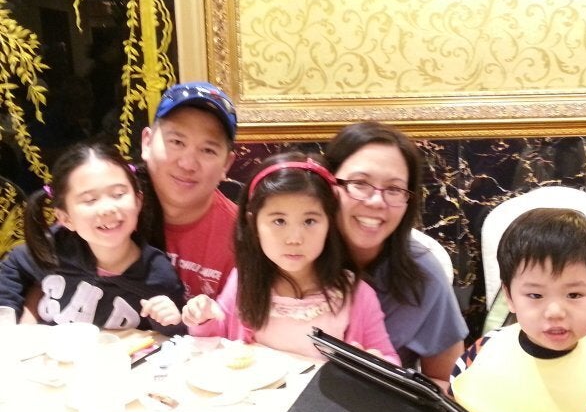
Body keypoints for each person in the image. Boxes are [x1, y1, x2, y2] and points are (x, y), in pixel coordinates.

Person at [181, 152, 400, 364]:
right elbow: (218, 344)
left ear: (329, 223)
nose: (294, 239)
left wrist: (378, 365)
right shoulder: (244, 281)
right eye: (279, 221)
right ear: (253, 223)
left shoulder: (356, 295)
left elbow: (390, 363)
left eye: (309, 221)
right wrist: (204, 319)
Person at [450, 208, 586, 412]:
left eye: (574, 295)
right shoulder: (485, 349)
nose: (555, 312)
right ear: (510, 297)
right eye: (535, 295)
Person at [324, 121, 468, 380]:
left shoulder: (423, 275)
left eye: (394, 189)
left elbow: (447, 382)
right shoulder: (293, 255)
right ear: (329, 183)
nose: (377, 201)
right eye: (360, 183)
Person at [0, 140, 184, 333]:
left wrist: (171, 321)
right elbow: (13, 268)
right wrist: (8, 320)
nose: (107, 208)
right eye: (90, 200)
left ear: (138, 201)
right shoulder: (56, 246)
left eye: (118, 194)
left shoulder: (157, 273)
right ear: (65, 217)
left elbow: (174, 336)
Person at [140, 81, 238, 301]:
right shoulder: (110, 209)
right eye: (176, 141)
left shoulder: (243, 239)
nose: (187, 164)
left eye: (207, 150)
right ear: (147, 142)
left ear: (226, 165)